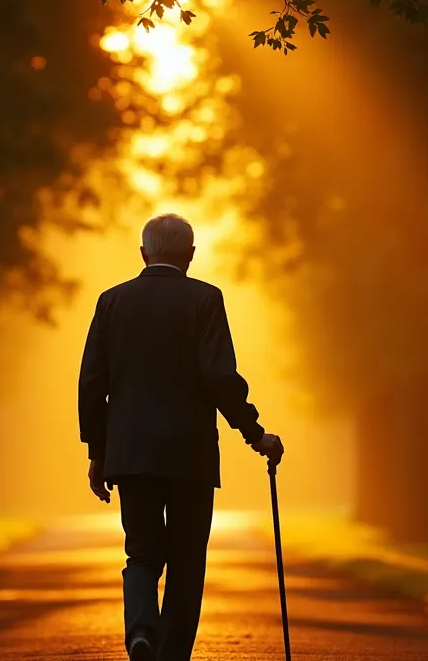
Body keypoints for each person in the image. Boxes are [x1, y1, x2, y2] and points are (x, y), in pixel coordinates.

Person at [78, 212, 285, 661]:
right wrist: (255, 434)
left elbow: (93, 383)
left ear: (143, 253)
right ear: (190, 254)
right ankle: (171, 655)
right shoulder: (205, 300)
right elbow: (219, 377)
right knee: (187, 563)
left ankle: (141, 630)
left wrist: (98, 452)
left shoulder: (111, 302)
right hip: (190, 456)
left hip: (130, 454)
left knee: (142, 555)